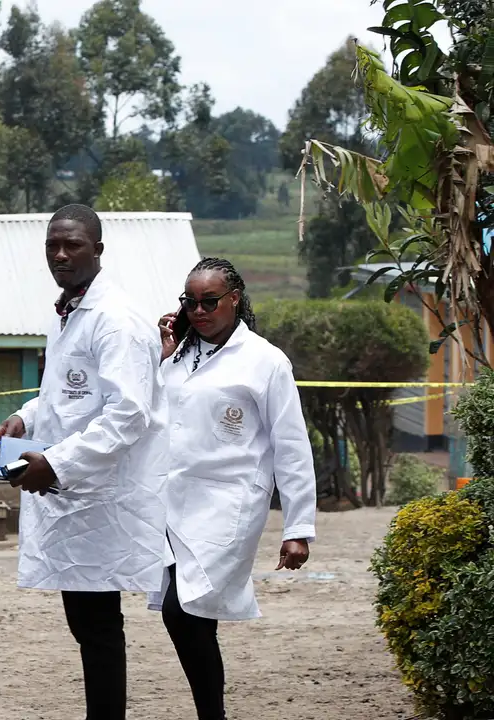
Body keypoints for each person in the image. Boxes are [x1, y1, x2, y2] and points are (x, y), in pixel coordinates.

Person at [0, 204, 169, 720]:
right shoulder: (67, 309)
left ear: (98, 250)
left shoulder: (115, 320)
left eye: (73, 245)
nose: (61, 254)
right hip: (72, 491)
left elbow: (127, 415)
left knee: (98, 628)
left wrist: (58, 462)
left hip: (99, 496)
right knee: (89, 626)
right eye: (53, 245)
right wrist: (25, 418)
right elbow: (67, 395)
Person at [150, 257, 317, 720]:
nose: (199, 311)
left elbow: (292, 447)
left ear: (235, 300)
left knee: (181, 610)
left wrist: (298, 527)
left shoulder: (265, 361)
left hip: (229, 504)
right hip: (172, 503)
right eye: (190, 302)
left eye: (209, 301)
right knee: (195, 616)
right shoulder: (176, 357)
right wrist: (159, 356)